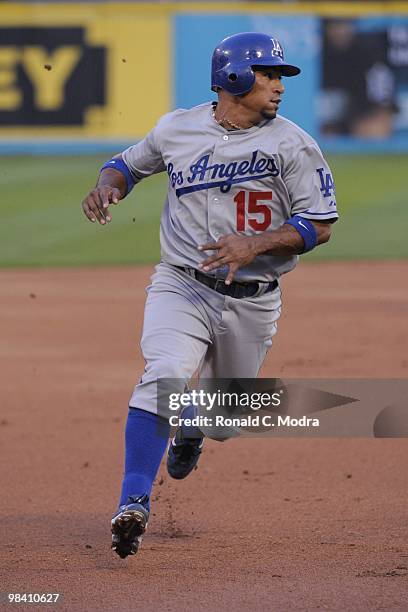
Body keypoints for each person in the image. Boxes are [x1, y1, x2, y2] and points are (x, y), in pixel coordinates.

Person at [81, 32, 338, 559]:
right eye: (268, 74)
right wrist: (109, 184)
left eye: (279, 76)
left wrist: (258, 243)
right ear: (235, 77)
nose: (277, 85)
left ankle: (195, 425)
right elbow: (127, 164)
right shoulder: (178, 128)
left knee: (228, 424)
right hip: (182, 284)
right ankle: (133, 502)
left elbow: (321, 223)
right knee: (163, 376)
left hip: (254, 297)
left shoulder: (293, 143)